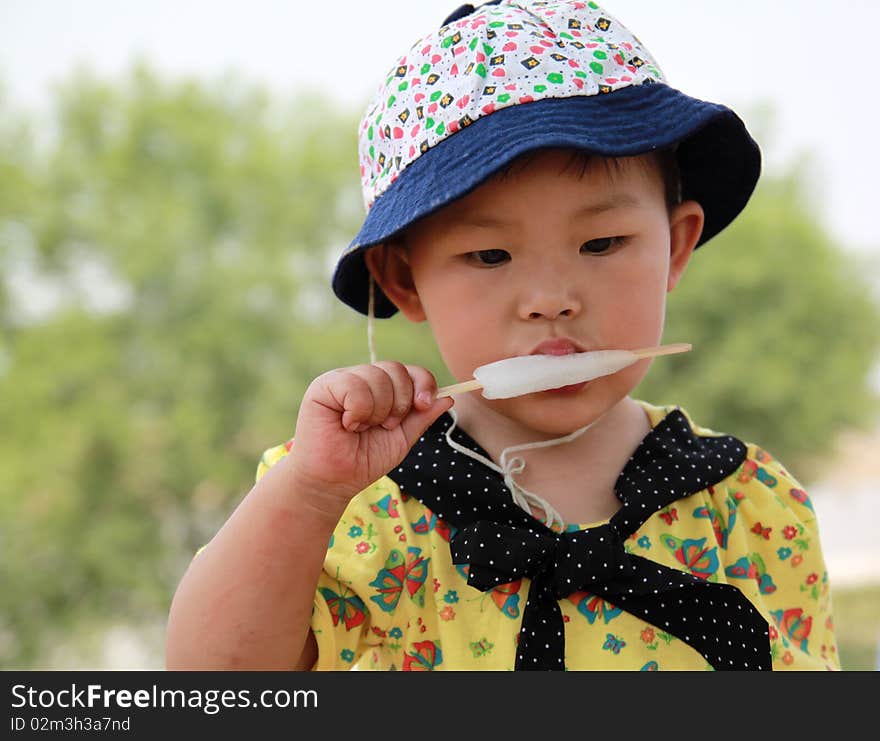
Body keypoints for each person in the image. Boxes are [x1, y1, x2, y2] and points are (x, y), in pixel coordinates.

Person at [165, 0, 839, 671]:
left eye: (601, 242)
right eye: (490, 256)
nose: (551, 300)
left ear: (676, 247)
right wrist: (311, 490)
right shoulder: (361, 504)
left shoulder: (749, 503)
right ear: (404, 280)